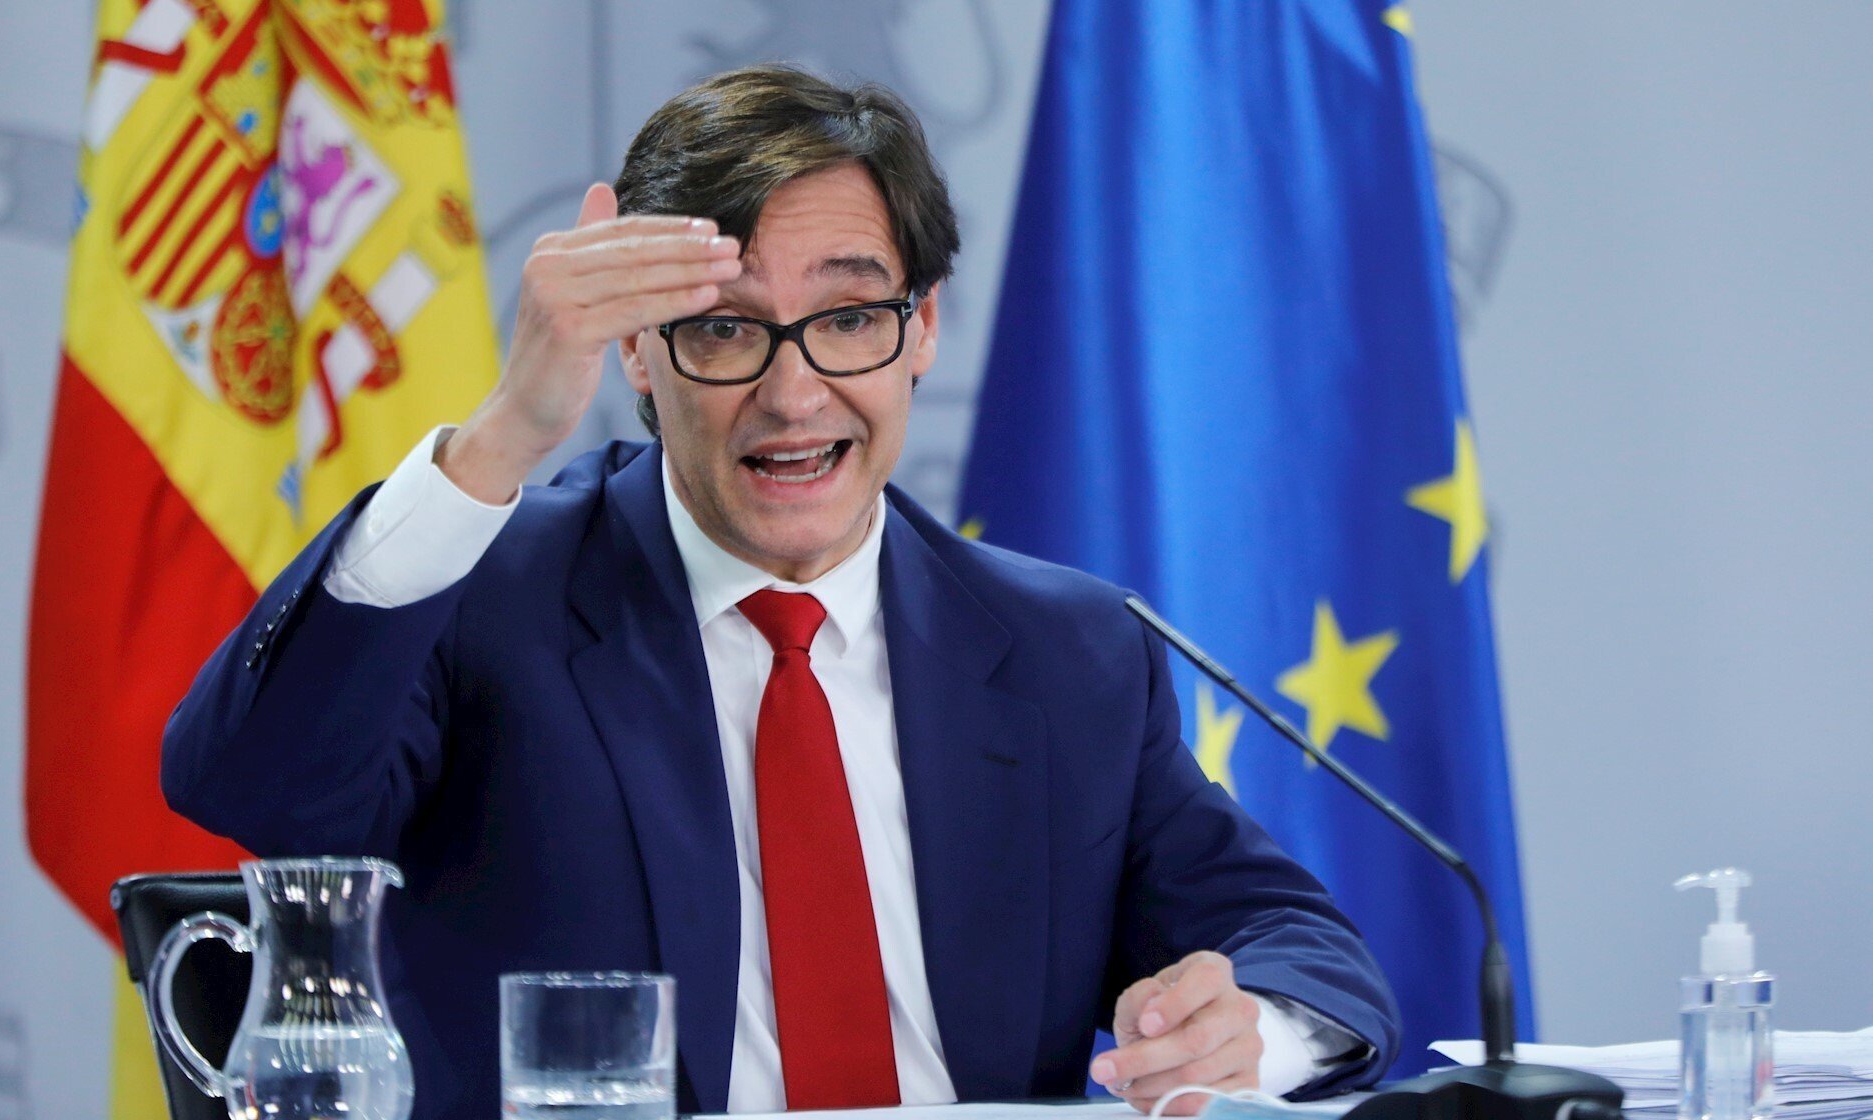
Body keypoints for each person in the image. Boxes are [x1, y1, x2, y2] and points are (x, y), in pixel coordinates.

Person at [162, 65, 1398, 1120]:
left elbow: (1299, 946)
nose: (795, 395)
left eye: (849, 317)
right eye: (723, 328)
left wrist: (1247, 1031)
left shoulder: (1059, 646)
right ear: (637, 347)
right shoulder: (483, 595)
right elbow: (258, 789)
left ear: (922, 328)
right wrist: (500, 437)